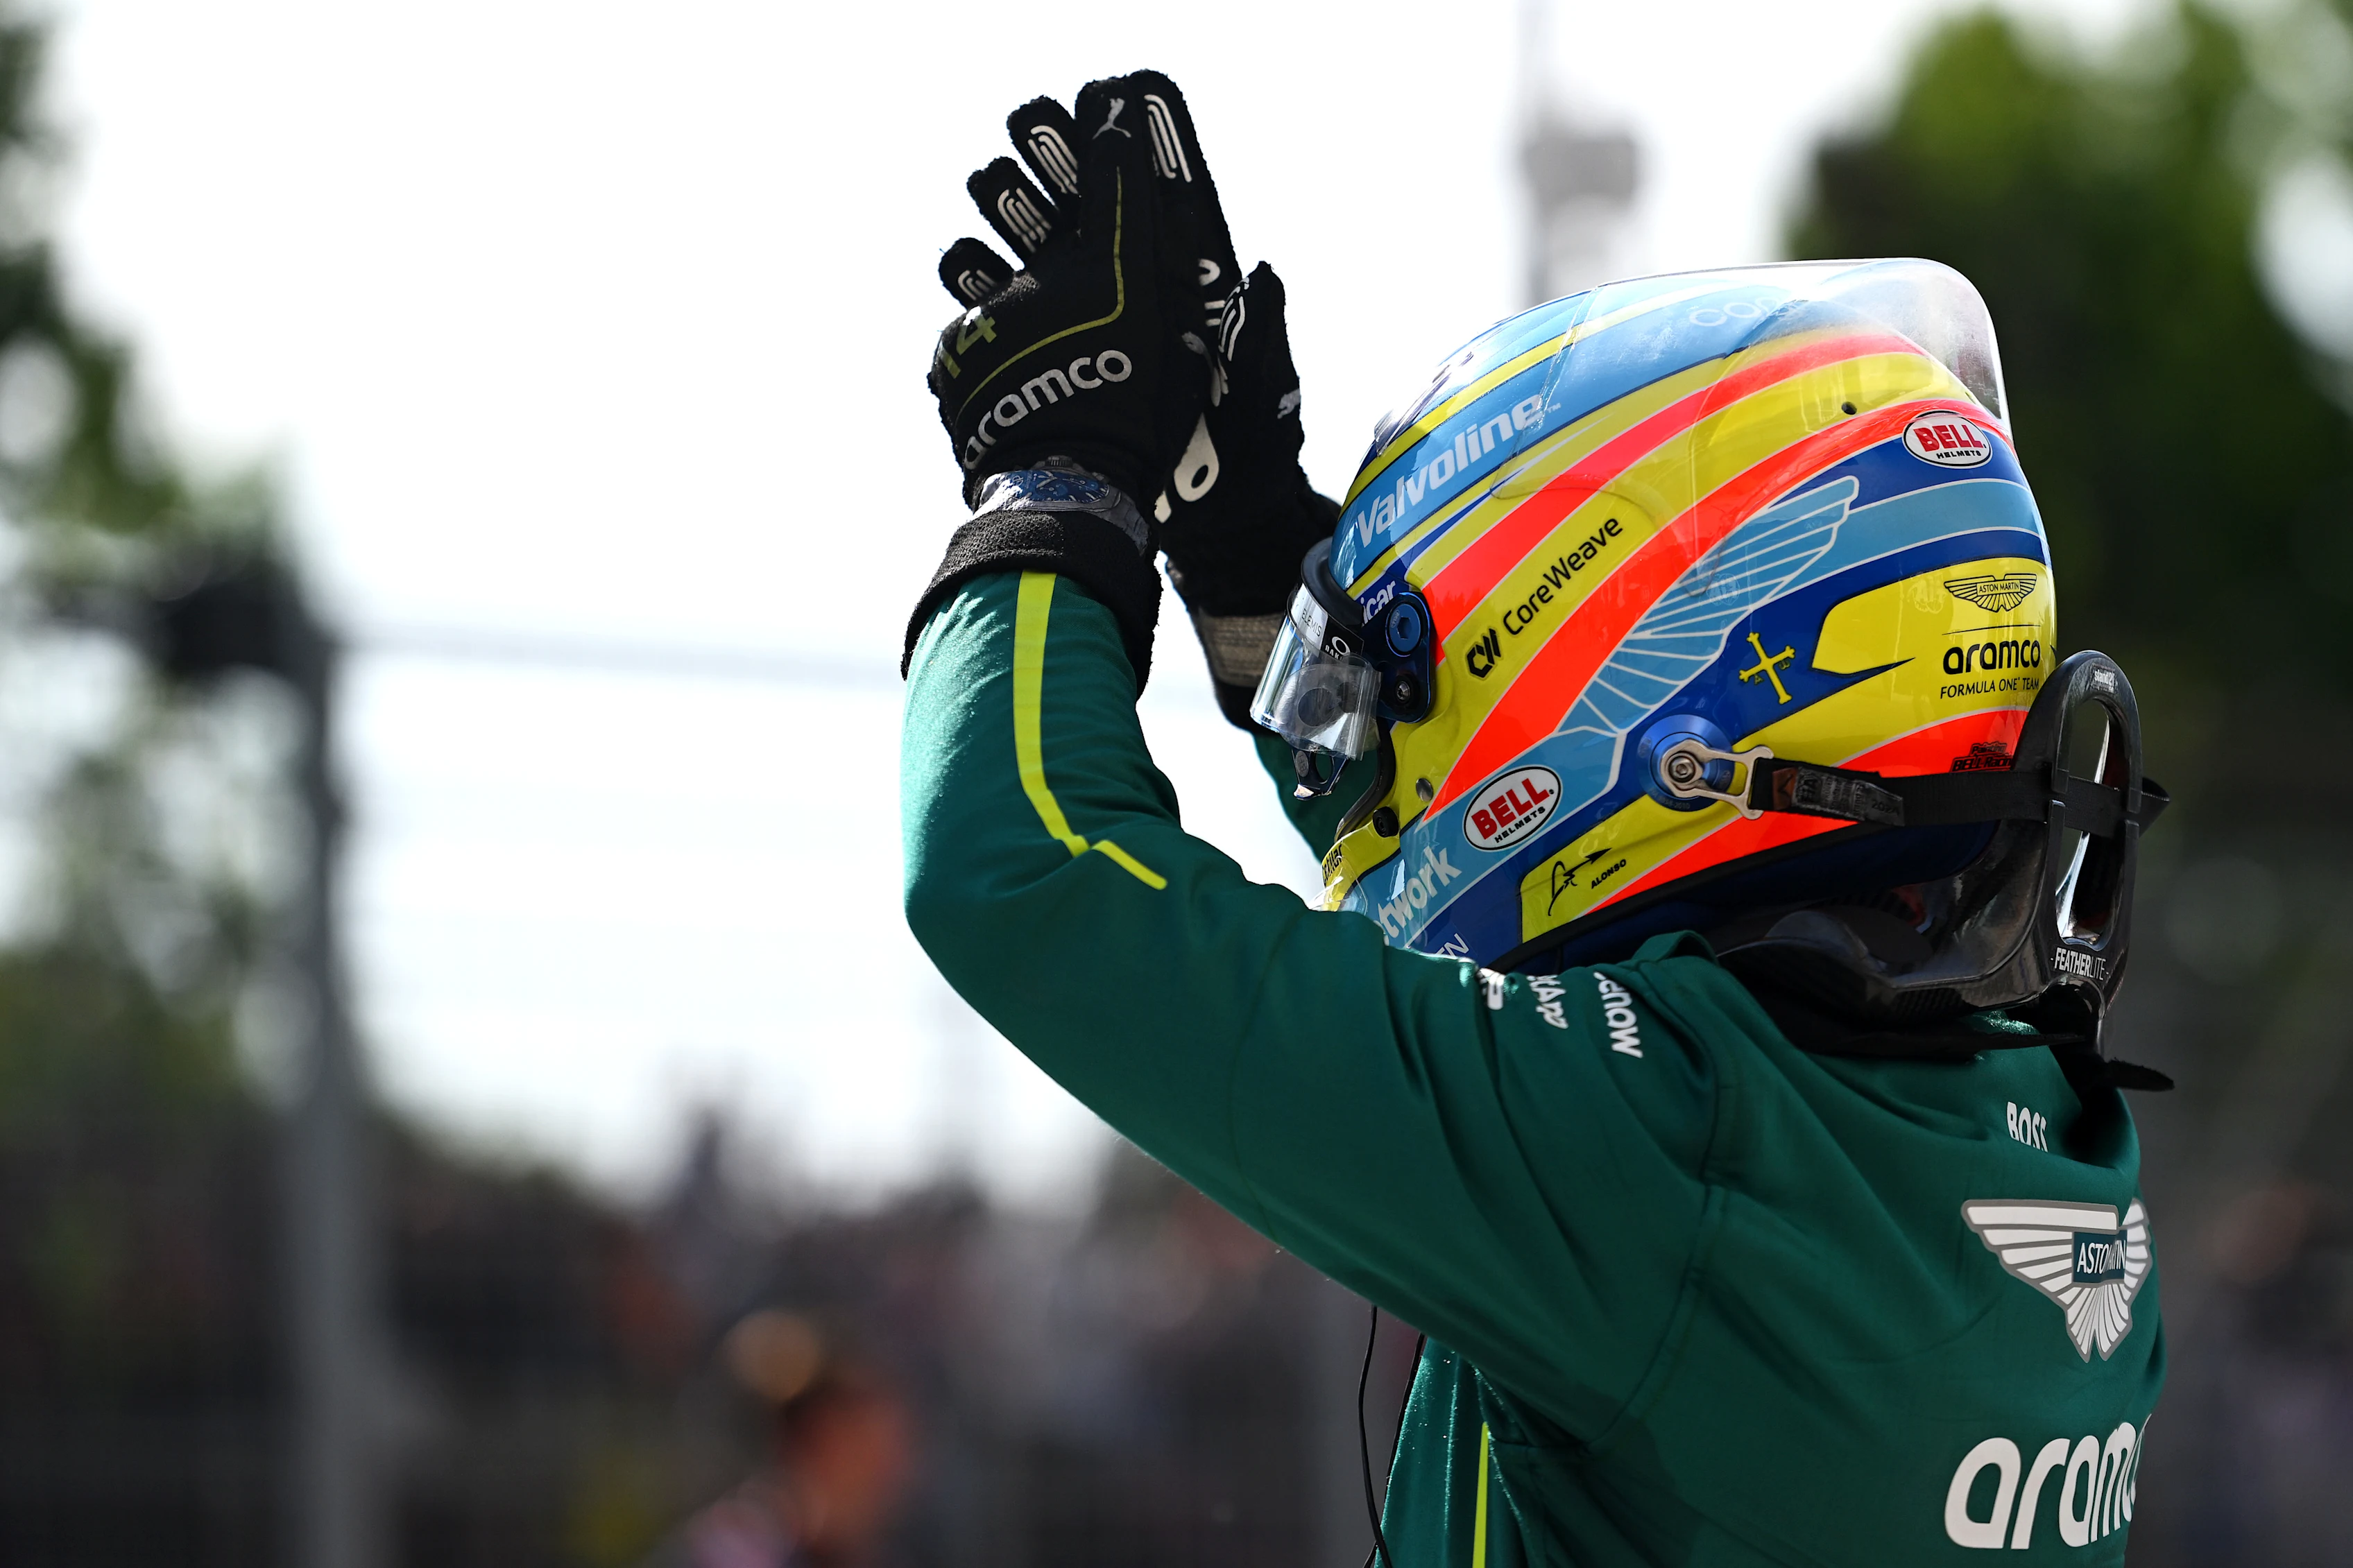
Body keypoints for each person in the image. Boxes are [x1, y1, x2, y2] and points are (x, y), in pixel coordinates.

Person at [902, 71, 2169, 1565]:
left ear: (1679, 707)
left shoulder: (1668, 1151)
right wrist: (1248, 548)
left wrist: (1052, 488)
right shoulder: (2039, 1132)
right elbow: (1458, 902)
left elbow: (1018, 869)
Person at [648, 1311, 912, 1568]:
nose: (890, 1468)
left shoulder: (866, 1555)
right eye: (866, 1446)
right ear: (821, 1436)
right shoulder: (732, 1553)